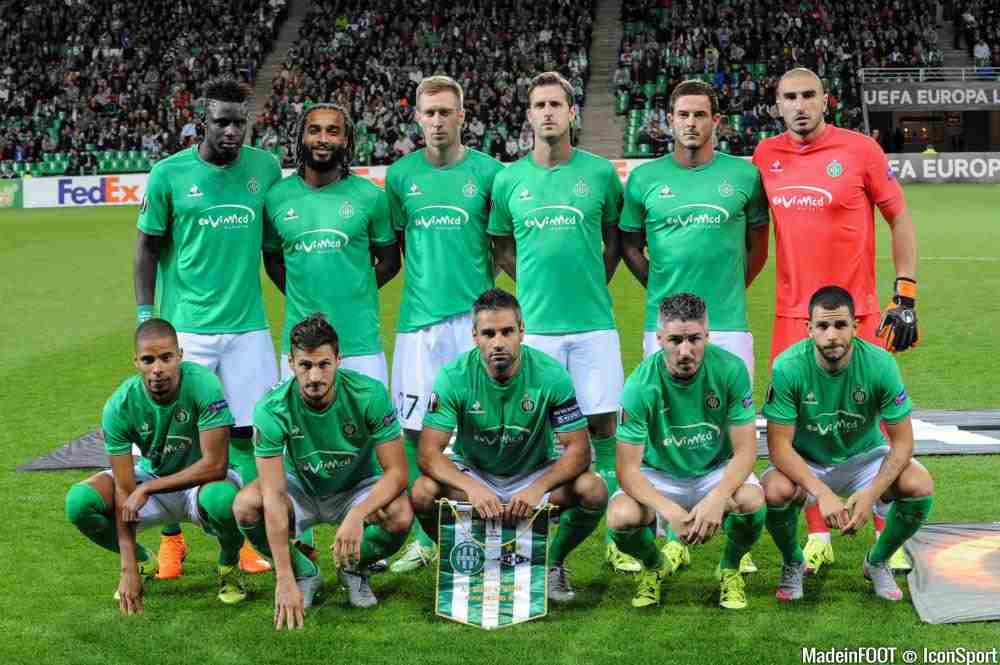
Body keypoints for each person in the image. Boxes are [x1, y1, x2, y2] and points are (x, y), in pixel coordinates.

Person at [752, 68, 919, 573]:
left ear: (826, 100)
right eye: (790, 97)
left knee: (876, 423)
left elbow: (899, 216)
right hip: (792, 316)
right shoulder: (765, 156)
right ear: (777, 105)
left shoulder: (860, 149)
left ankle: (885, 530)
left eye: (809, 95)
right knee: (799, 427)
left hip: (858, 314)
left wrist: (905, 294)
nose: (800, 105)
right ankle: (817, 532)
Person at [134, 78, 282, 578]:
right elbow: (146, 248)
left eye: (240, 122)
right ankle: (172, 540)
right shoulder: (168, 174)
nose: (232, 131)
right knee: (177, 439)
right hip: (187, 330)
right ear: (203, 122)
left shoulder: (265, 168)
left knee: (248, 434)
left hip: (247, 328)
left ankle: (240, 535)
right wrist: (146, 318)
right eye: (222, 122)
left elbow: (274, 247)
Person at [620, 80, 767, 576]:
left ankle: (733, 533)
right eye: (682, 114)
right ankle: (671, 531)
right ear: (669, 120)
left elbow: (758, 245)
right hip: (663, 327)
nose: (691, 123)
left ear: (716, 121)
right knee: (667, 428)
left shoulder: (743, 176)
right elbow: (630, 244)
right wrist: (660, 290)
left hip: (728, 324)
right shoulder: (644, 179)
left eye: (700, 114)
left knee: (730, 430)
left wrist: (731, 288)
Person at [488, 72, 630, 573]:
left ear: (572, 113)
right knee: (542, 436)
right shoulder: (509, 180)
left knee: (603, 423)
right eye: (539, 105)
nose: (547, 112)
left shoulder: (600, 173)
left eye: (556, 104)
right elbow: (502, 247)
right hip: (539, 328)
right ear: (528, 115)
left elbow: (614, 240)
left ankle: (617, 534)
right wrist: (531, 286)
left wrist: (591, 280)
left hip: (593, 323)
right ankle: (545, 551)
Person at [410, 289, 608, 603]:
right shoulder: (453, 377)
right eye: (489, 334)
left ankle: (553, 563)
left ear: (522, 332)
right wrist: (471, 488)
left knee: (593, 489)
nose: (498, 342)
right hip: (476, 475)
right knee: (422, 492)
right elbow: (428, 453)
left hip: (533, 474)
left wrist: (537, 488)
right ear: (475, 336)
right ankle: (463, 559)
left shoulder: (551, 375)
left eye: (507, 332)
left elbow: (579, 450)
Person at [384, 76, 505, 573]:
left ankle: (488, 526)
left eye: (445, 112)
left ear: (462, 116)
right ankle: (424, 538)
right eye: (429, 113)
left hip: (474, 324)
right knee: (415, 431)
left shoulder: (490, 173)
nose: (437, 121)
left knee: (479, 424)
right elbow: (396, 245)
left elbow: (501, 246)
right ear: (417, 118)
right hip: (418, 324)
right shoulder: (399, 177)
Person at [232, 314, 412, 628]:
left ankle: (354, 568)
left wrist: (358, 514)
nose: (314, 376)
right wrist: (284, 577)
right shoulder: (271, 408)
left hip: (356, 488)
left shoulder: (369, 394)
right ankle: (304, 572)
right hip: (301, 488)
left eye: (324, 364)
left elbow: (397, 473)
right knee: (246, 506)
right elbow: (273, 496)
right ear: (291, 363)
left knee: (400, 513)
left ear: (338, 359)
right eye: (305, 365)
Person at [762, 287, 934, 602]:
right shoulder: (788, 366)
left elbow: (903, 443)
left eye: (841, 325)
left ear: (855, 326)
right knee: (774, 490)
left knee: (919, 483)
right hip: (807, 461)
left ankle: (878, 561)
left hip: (864, 459)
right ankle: (793, 562)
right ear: (809, 328)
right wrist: (822, 493)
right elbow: (779, 448)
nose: (832, 335)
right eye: (823, 326)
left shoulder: (880, 364)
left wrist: (871, 494)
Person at [65, 319, 247, 615]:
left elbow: (215, 465)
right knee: (79, 502)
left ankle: (229, 565)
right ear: (136, 361)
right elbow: (125, 489)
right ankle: (143, 561)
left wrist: (148, 487)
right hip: (151, 480)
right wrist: (127, 568)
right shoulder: (120, 405)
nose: (158, 368)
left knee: (223, 501)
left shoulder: (203, 385)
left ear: (180, 356)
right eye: (148, 360)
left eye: (166, 357)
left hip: (201, 484)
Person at [608, 293, 764, 610]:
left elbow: (746, 451)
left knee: (752, 501)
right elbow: (627, 470)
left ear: (707, 335)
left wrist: (718, 496)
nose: (685, 351)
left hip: (714, 470)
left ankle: (730, 568)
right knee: (620, 517)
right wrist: (669, 511)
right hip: (659, 474)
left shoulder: (731, 370)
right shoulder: (640, 385)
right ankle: (655, 566)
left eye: (694, 339)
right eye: (675, 340)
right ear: (659, 339)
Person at [262, 103, 399, 388]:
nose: (323, 138)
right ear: (301, 137)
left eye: (333, 131)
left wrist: (357, 290)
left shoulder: (371, 196)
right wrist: (301, 294)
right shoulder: (276, 198)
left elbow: (390, 262)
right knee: (300, 419)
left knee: (370, 418)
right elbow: (272, 260)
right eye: (314, 130)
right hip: (301, 347)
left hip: (360, 345)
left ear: (347, 140)